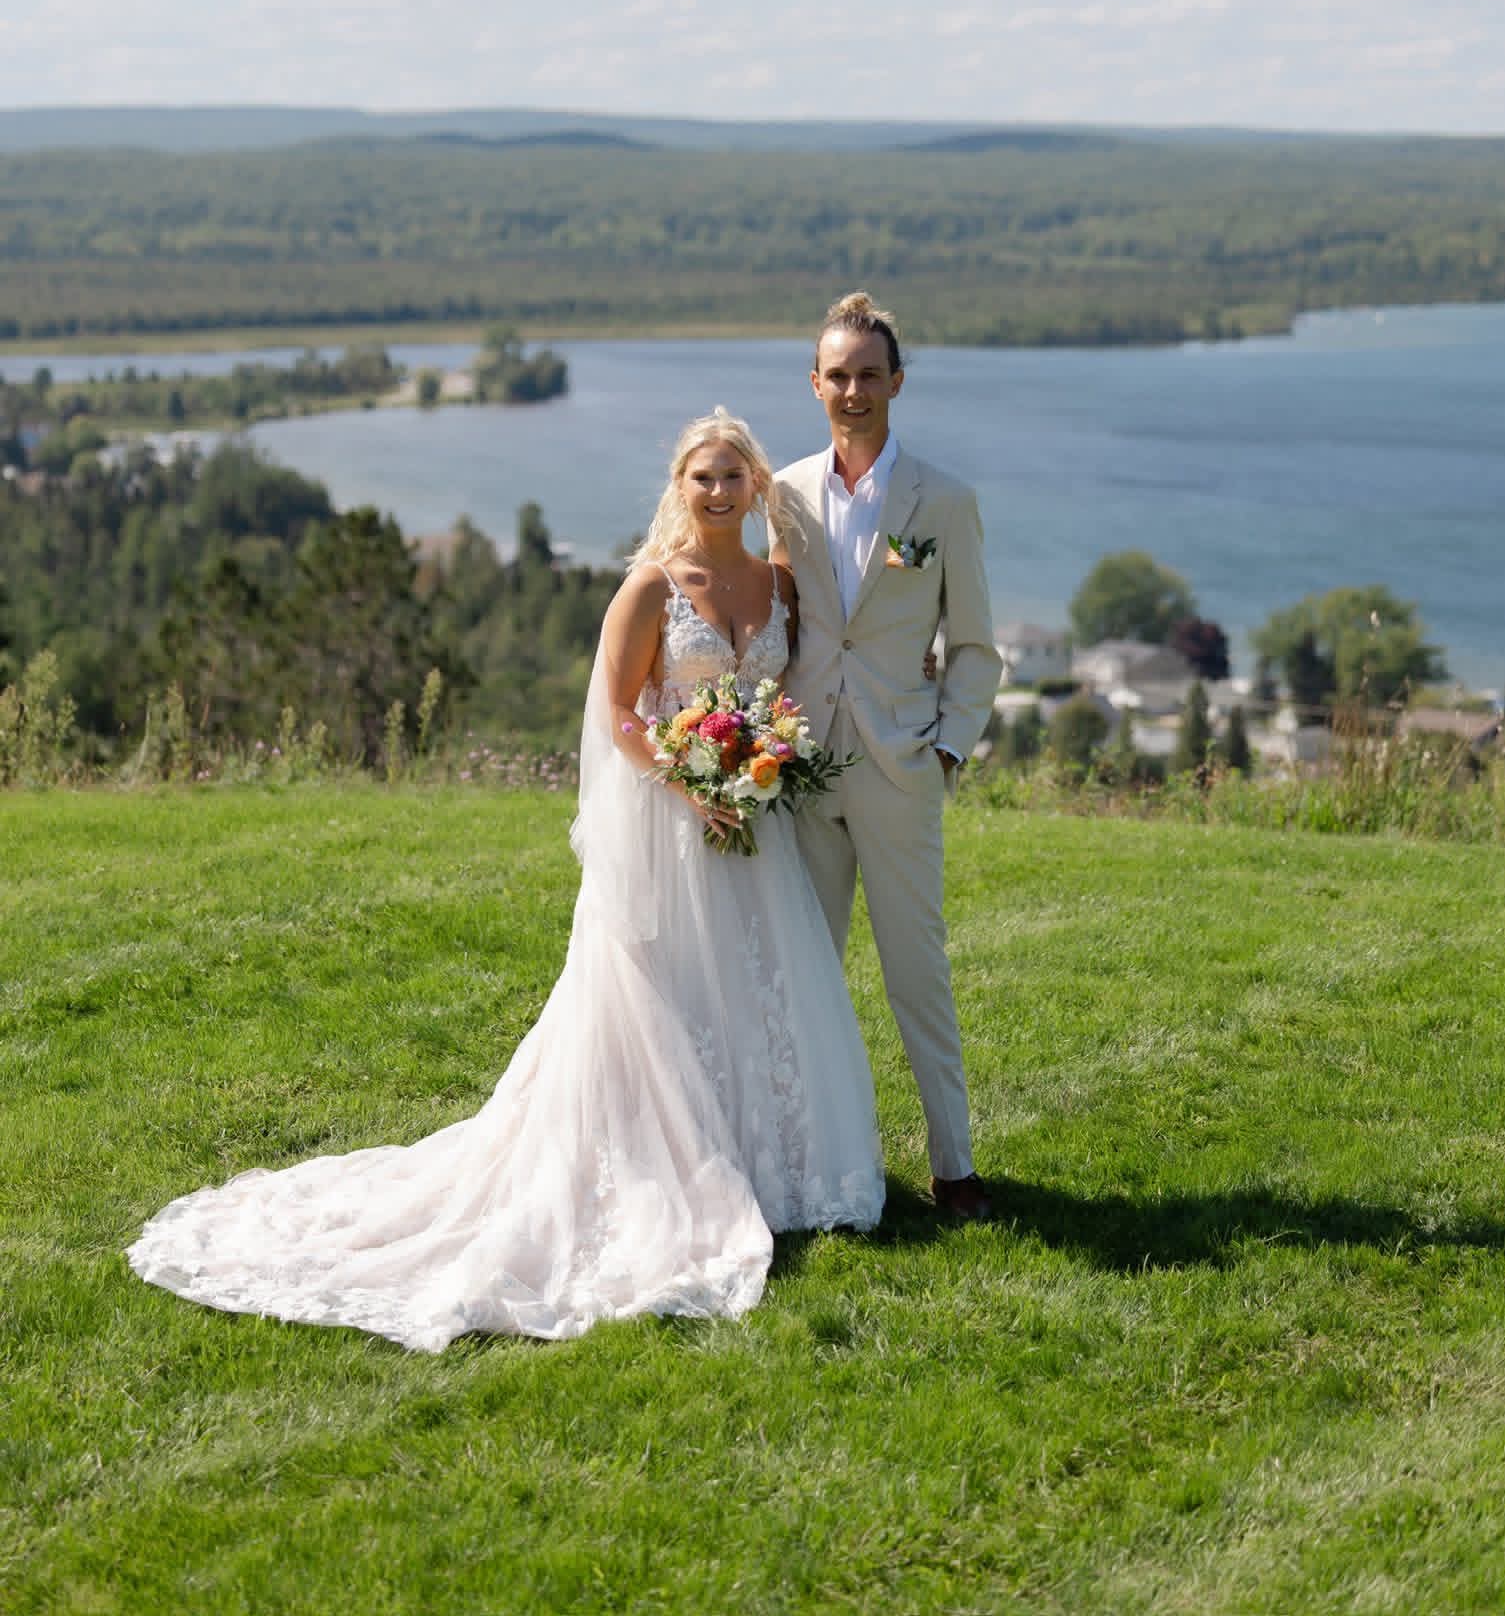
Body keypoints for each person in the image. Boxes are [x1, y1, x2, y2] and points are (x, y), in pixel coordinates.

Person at [128, 412, 884, 1351]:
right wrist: (691, 788)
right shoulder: (651, 586)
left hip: (753, 825)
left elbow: (790, 688)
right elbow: (616, 711)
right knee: (667, 999)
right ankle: (664, 1175)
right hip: (675, 822)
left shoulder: (777, 585)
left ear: (758, 485)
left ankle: (771, 1170)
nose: (719, 491)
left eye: (734, 476)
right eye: (703, 476)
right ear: (680, 487)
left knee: (755, 989)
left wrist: (761, 761)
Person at [771, 294, 1003, 1221]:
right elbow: (778, 627)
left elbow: (977, 646)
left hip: (903, 768)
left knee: (918, 976)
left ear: (896, 383)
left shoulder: (943, 501)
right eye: (839, 375)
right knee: (803, 976)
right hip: (802, 772)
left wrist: (946, 749)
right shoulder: (781, 494)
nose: (854, 390)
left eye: (871, 375)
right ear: (816, 384)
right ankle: (806, 1162)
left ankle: (955, 1168)